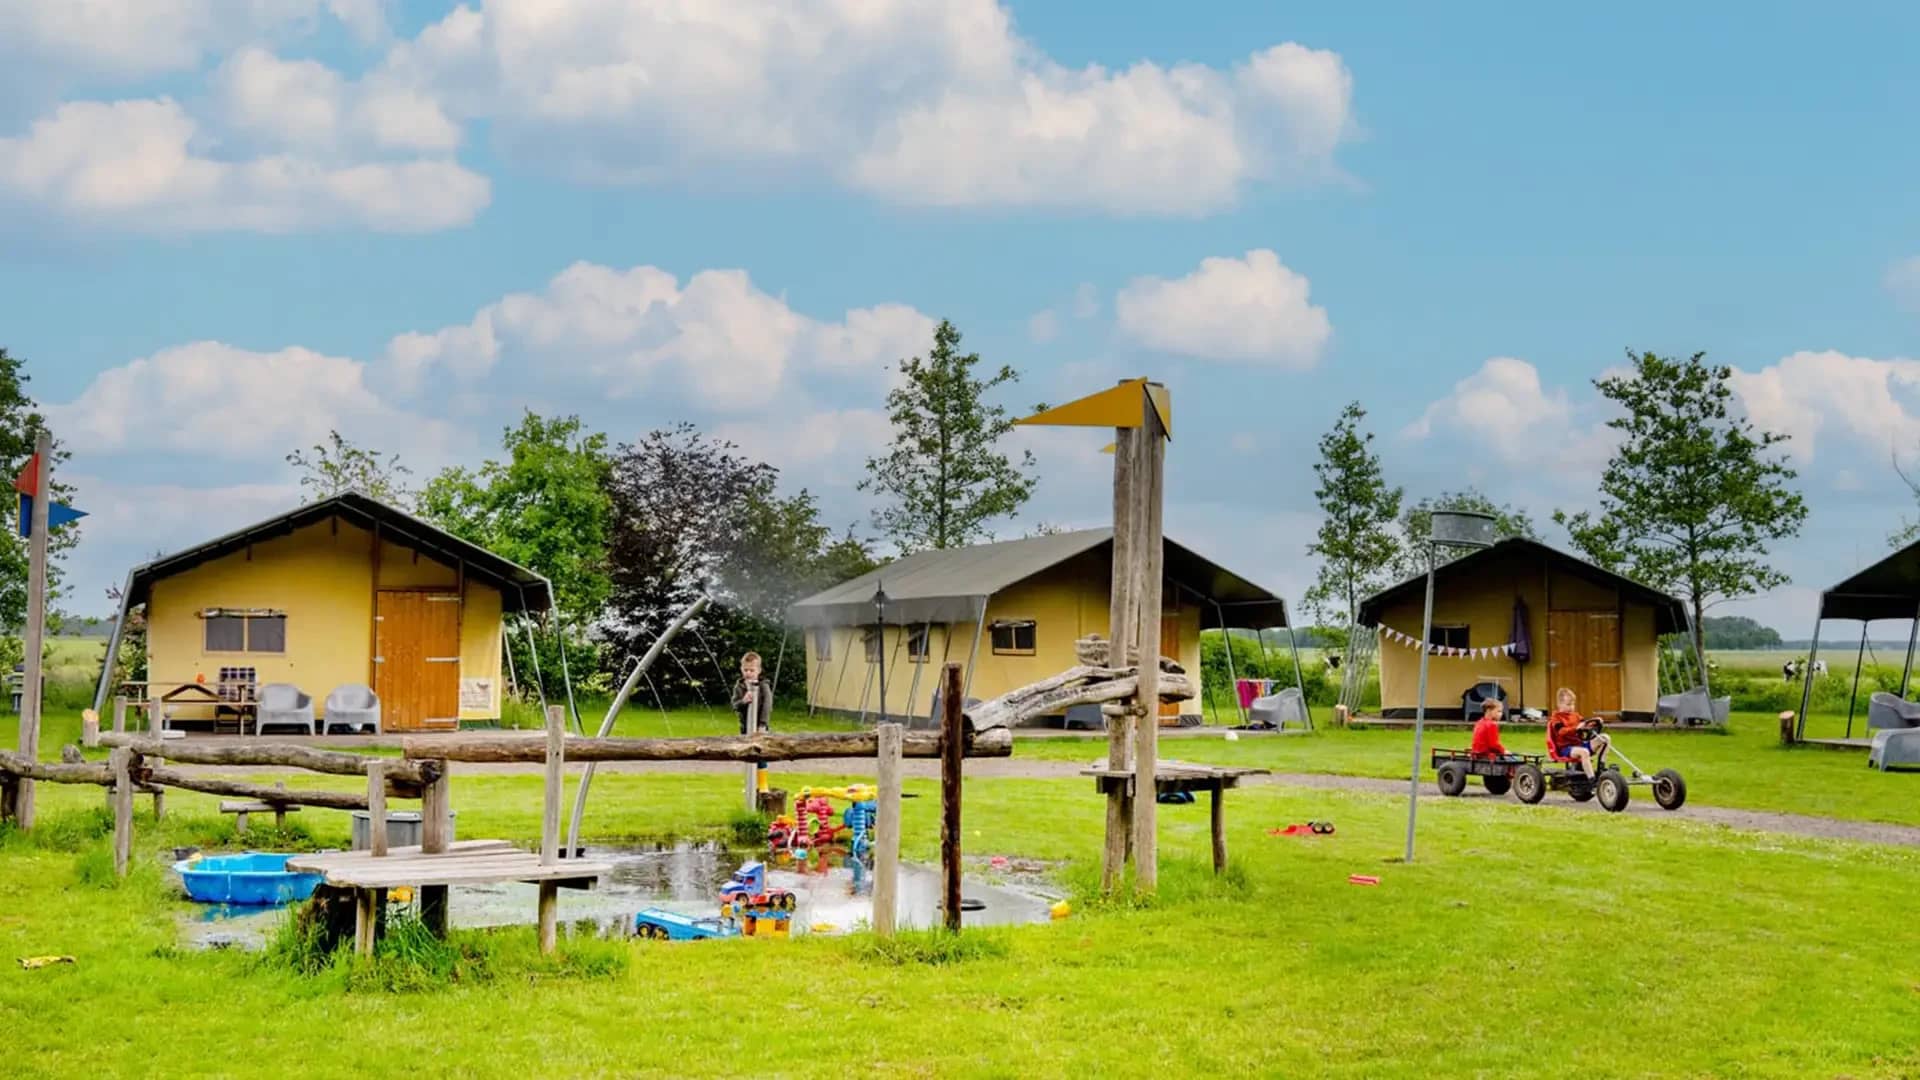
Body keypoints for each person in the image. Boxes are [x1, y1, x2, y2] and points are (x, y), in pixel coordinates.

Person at [1546, 687, 1610, 777]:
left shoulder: (1575, 716)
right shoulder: (1556, 718)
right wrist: (1576, 728)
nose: (1571, 707)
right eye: (1568, 704)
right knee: (1584, 752)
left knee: (1605, 738)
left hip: (1579, 744)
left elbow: (1585, 724)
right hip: (1565, 749)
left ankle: (1601, 768)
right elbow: (1561, 732)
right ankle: (1592, 779)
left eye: (1573, 704)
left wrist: (1595, 722)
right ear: (1560, 704)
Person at [733, 652, 773, 735]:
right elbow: (735, 705)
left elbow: (767, 705)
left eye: (752, 670)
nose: (748, 673)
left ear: (759, 670)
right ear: (741, 669)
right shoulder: (739, 686)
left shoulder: (763, 686)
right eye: (745, 670)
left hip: (760, 726)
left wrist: (763, 724)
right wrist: (743, 701)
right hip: (745, 726)